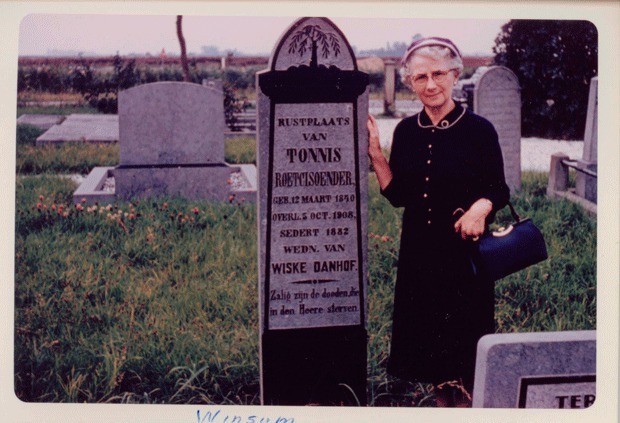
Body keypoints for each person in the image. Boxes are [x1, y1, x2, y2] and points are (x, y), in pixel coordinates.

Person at [367, 37, 510, 407]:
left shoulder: (479, 130)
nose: (430, 85)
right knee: (431, 353)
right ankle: (443, 406)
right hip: (419, 257)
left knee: (464, 350)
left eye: (438, 74)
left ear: (455, 74)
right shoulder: (406, 131)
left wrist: (480, 209)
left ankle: (468, 407)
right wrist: (376, 155)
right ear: (409, 82)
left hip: (464, 259)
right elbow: (398, 195)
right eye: (420, 78)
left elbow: (499, 189)